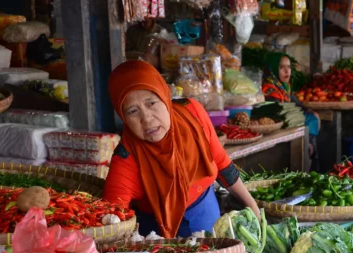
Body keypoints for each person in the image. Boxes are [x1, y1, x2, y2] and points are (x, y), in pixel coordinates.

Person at [104, 60, 259, 238]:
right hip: (157, 236)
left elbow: (222, 164)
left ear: (164, 96)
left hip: (206, 212)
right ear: (122, 116)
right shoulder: (126, 158)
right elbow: (111, 220)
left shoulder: (192, 114)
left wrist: (252, 207)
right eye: (133, 111)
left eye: (151, 103)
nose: (147, 119)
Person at [262, 53, 319, 163]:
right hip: (279, 125)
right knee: (310, 121)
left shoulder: (284, 87)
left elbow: (297, 104)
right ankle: (310, 150)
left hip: (288, 121)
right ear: (273, 69)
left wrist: (309, 110)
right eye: (281, 67)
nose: (287, 71)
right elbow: (279, 115)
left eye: (288, 67)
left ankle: (311, 151)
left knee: (313, 117)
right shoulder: (270, 91)